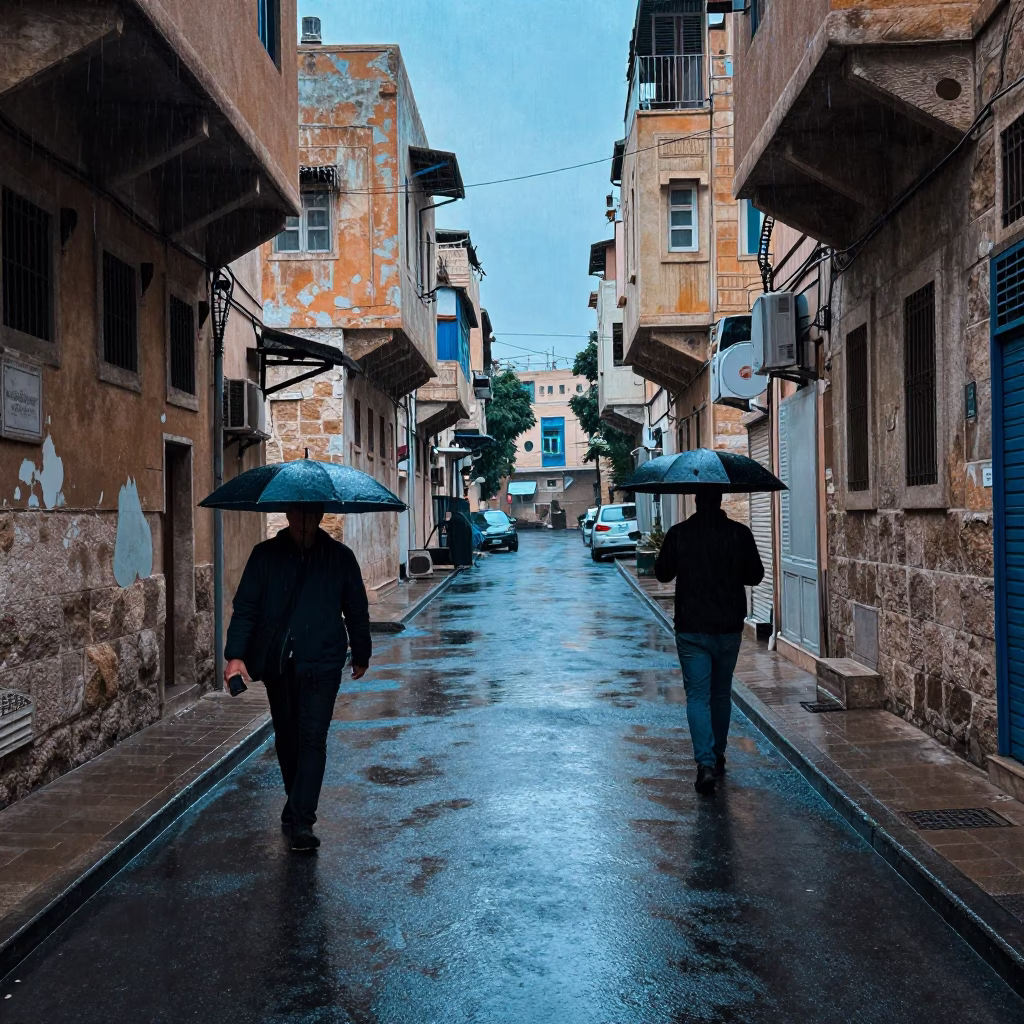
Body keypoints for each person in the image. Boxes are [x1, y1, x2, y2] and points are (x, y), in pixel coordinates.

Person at [224, 503, 371, 851]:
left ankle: (302, 820)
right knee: (288, 737)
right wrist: (235, 656)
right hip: (280, 664)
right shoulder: (265, 557)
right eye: (298, 514)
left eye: (311, 515)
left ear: (320, 517)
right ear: (288, 515)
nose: (304, 521)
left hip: (323, 661)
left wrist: (361, 652)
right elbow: (246, 608)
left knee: (313, 738)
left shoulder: (340, 557)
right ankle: (295, 805)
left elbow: (356, 607)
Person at [654, 488, 764, 796]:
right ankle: (717, 755)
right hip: (728, 627)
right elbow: (755, 575)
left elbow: (662, 574)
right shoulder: (738, 534)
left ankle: (704, 764)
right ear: (720, 502)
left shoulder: (679, 534)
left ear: (695, 502)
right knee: (720, 693)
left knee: (697, 697)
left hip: (691, 627)